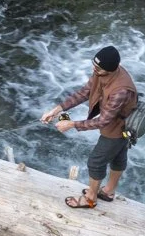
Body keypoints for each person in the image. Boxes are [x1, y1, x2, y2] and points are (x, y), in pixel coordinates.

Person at [39, 45, 137, 210]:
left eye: (98, 68)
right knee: (118, 156)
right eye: (94, 65)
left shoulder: (121, 90)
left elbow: (103, 121)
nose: (94, 69)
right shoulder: (101, 71)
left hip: (118, 129)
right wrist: (57, 110)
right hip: (118, 123)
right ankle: (109, 192)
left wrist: (71, 124)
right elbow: (84, 92)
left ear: (110, 70)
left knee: (96, 162)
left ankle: (91, 199)